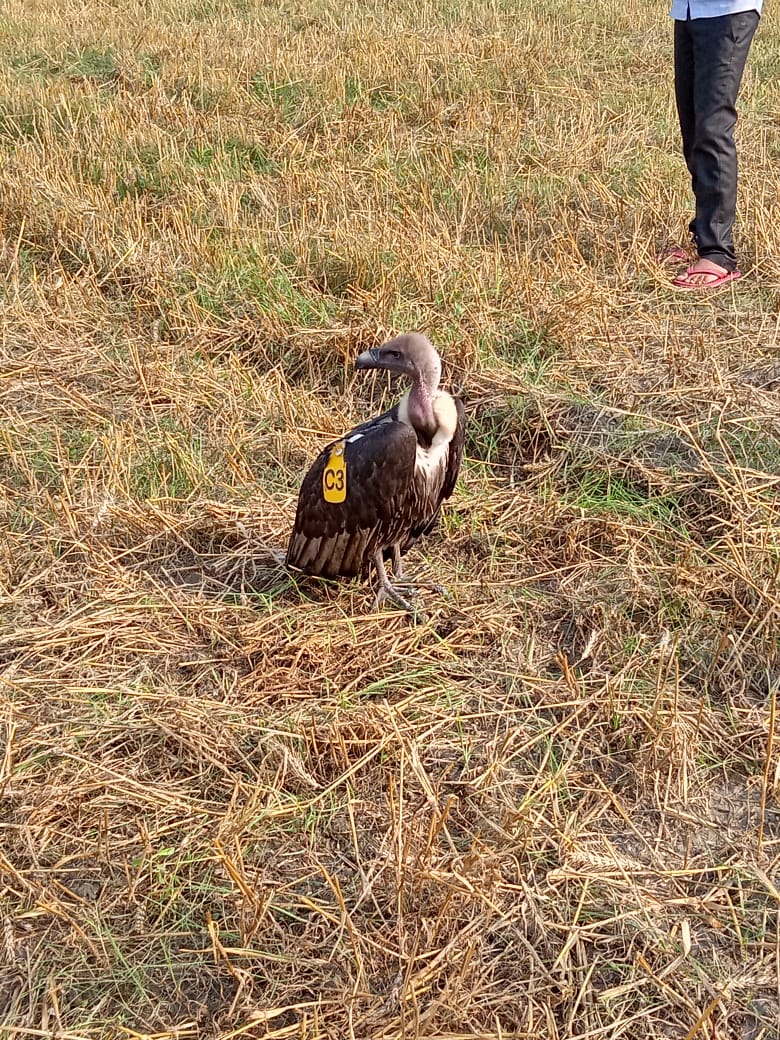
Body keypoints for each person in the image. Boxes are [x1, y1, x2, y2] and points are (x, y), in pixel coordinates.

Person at [667, 0, 762, 290]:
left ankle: (718, 253)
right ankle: (704, 236)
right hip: (689, 9)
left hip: (727, 11)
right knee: (694, 126)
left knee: (712, 126)